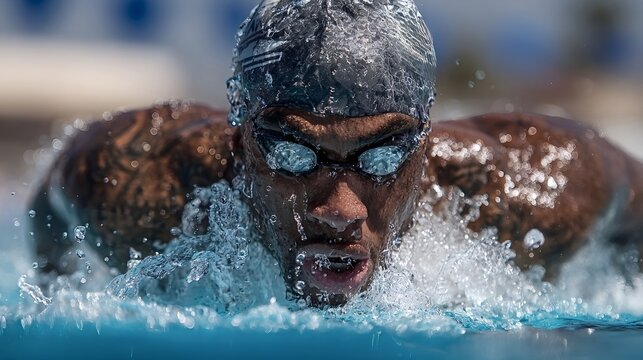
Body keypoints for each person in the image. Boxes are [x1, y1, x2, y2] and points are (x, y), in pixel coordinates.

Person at [28, 0, 643, 306]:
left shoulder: (531, 191)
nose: (339, 209)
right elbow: (49, 222)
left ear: (424, 150)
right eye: (295, 153)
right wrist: (56, 286)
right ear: (240, 145)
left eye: (380, 157)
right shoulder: (136, 180)